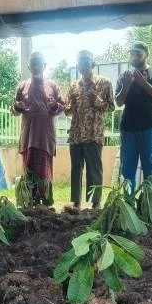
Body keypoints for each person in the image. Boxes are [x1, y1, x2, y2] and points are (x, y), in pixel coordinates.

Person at [11, 51, 65, 207]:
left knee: (44, 170)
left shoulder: (52, 86)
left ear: (44, 66)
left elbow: (63, 107)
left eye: (39, 63)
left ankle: (46, 202)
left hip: (45, 136)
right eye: (33, 63)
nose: (36, 66)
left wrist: (55, 106)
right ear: (29, 66)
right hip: (28, 135)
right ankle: (30, 201)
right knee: (28, 170)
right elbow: (14, 111)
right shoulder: (22, 86)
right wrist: (16, 107)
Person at [115, 42, 152, 191]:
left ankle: (150, 206)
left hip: (150, 128)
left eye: (138, 53)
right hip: (128, 129)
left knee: (151, 170)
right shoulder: (124, 75)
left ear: (146, 54)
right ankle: (129, 206)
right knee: (127, 171)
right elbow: (118, 102)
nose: (135, 56)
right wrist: (126, 86)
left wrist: (143, 83)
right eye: (132, 53)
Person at [65, 50, 114, 209]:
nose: (83, 65)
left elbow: (111, 107)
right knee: (76, 169)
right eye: (80, 62)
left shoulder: (104, 83)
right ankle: (76, 202)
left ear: (92, 64)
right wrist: (70, 105)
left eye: (86, 62)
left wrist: (97, 101)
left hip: (94, 134)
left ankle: (95, 203)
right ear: (78, 66)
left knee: (94, 170)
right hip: (76, 134)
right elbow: (67, 111)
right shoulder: (73, 86)